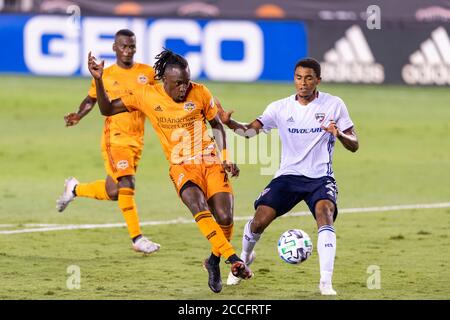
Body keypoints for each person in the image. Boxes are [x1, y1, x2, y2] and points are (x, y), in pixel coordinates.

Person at [87, 48, 253, 293]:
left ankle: (213, 261)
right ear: (165, 79)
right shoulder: (146, 95)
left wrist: (225, 158)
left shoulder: (200, 92)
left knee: (226, 218)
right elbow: (107, 109)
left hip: (210, 162)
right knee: (198, 206)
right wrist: (99, 80)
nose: (184, 88)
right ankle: (233, 259)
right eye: (178, 84)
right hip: (181, 166)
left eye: (186, 82)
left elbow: (216, 123)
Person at [217, 57, 359, 295]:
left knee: (325, 214)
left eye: (309, 78)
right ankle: (243, 258)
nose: (303, 83)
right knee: (260, 220)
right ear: (294, 79)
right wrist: (229, 122)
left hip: (320, 178)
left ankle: (325, 282)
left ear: (318, 80)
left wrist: (340, 135)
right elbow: (251, 130)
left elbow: (354, 144)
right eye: (298, 78)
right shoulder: (280, 108)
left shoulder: (334, 104)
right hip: (289, 175)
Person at [56, 29, 161, 255]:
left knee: (114, 191)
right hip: (115, 140)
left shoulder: (147, 73)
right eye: (123, 46)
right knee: (126, 183)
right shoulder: (105, 74)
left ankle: (74, 188)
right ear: (114, 48)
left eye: (131, 46)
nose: (127, 50)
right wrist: (78, 114)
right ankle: (137, 238)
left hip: (136, 140)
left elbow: (159, 98)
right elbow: (91, 99)